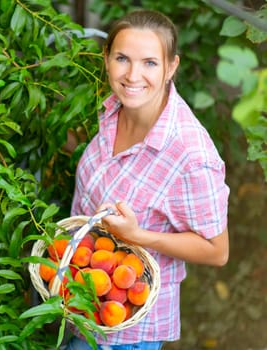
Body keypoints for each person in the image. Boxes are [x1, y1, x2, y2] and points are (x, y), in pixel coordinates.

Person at [66, 9, 230, 350]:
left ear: (171, 67)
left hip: (125, 333)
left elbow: (217, 251)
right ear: (106, 59)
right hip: (84, 299)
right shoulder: (114, 107)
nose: (132, 75)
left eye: (150, 63)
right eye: (122, 58)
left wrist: (139, 235)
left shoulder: (190, 156)